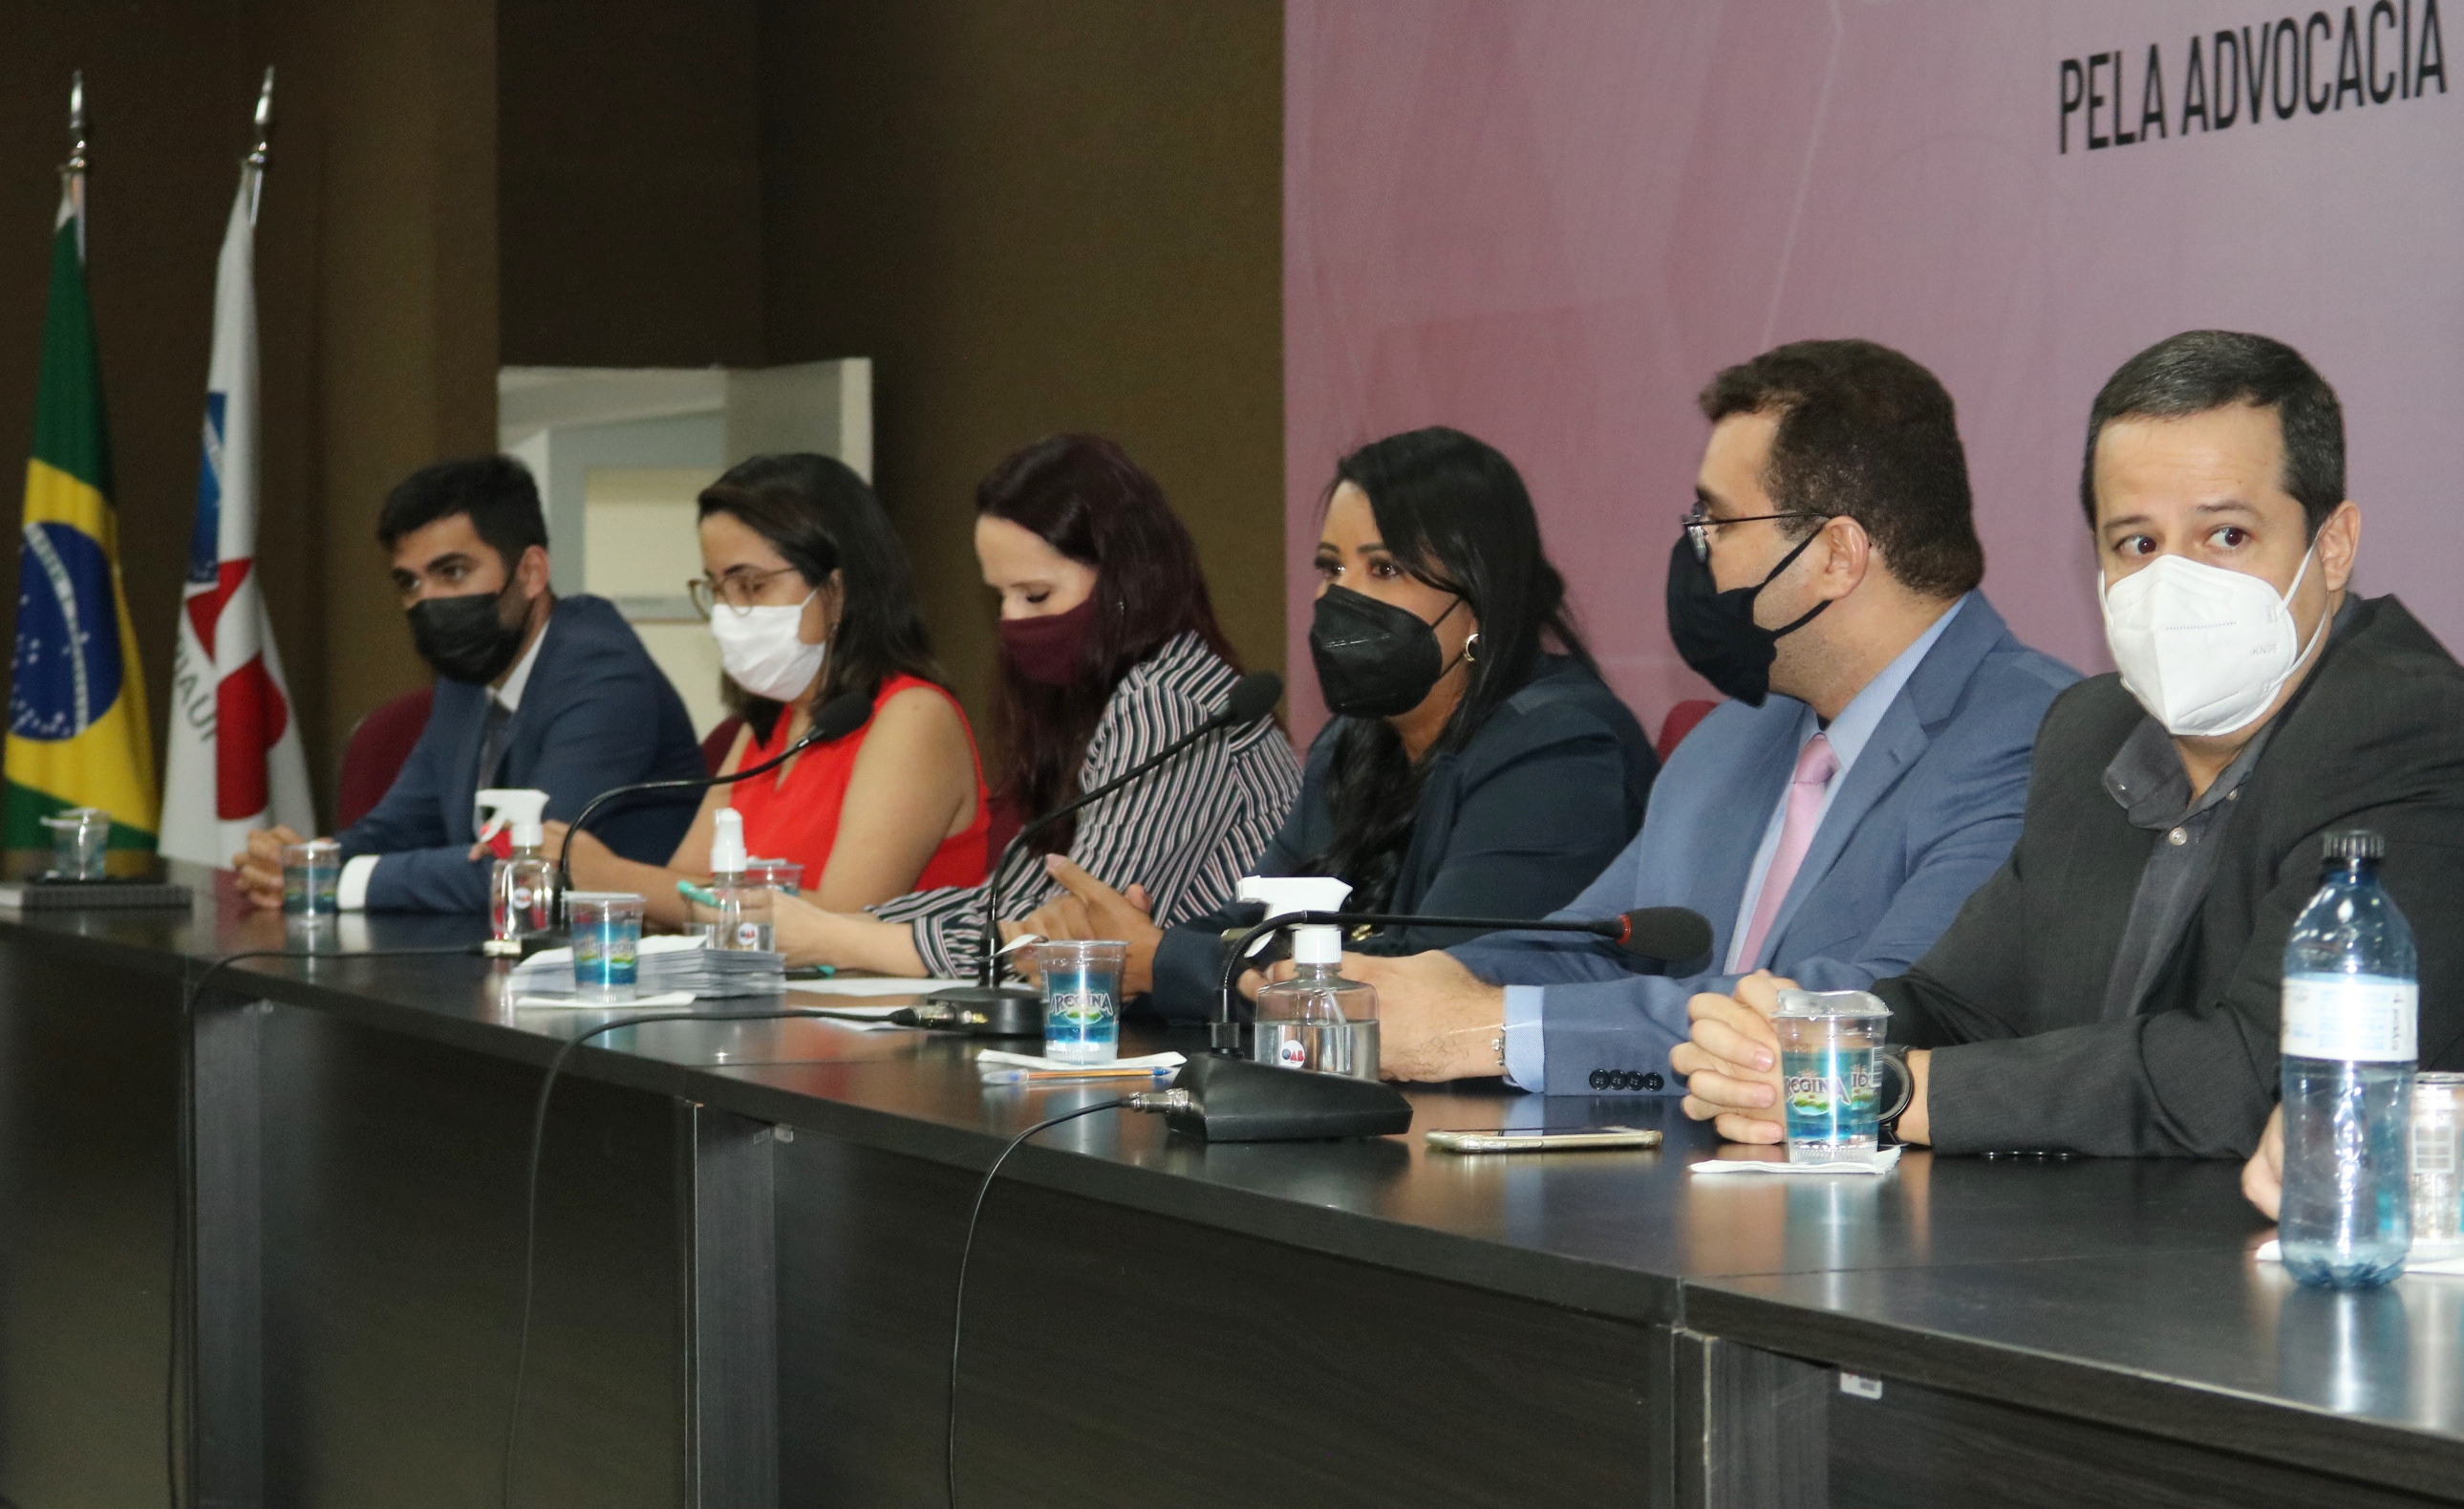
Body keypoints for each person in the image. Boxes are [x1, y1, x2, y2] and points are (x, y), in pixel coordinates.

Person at [1677, 331, 2464, 1157]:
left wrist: (1891, 1089)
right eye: (2137, 543)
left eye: (2226, 536)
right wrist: (1794, 1046)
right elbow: (1961, 1006)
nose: (2174, 581)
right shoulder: (2091, 730)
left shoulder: (2410, 728)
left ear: (2331, 547)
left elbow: (2268, 1074)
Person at [1328, 341, 2076, 1086]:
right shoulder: (1728, 739)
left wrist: (1492, 1030)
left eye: (1716, 522)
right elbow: (1590, 947)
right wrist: (1418, 984)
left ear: (1835, 556)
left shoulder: (2038, 739)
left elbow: (1878, 1010)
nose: (1696, 553)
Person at [1017, 426, 1660, 1021]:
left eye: (1383, 569)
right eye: (1330, 568)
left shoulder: (1561, 752)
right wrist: (1114, 947)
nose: (1338, 598)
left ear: (1480, 601)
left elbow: (1427, 983)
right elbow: (1255, 926)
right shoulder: (1352, 744)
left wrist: (1163, 963)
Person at [757, 435, 1301, 975]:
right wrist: (842, 925)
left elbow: (1075, 936)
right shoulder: (1100, 704)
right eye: (1000, 596)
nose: (1012, 620)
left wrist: (837, 940)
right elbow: (1011, 901)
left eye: (1035, 595)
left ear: (1124, 581)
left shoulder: (1167, 705)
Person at [232, 456, 704, 913]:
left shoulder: (602, 672)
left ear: (531, 572)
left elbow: (527, 869)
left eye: (452, 572)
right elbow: (398, 829)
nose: (428, 601)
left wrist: (332, 881)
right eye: (409, 583)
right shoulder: (468, 672)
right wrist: (301, 863)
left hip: (617, 952)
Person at [549, 454, 988, 923]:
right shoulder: (769, 723)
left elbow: (841, 921)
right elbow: (681, 895)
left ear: (837, 592)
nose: (726, 611)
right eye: (717, 588)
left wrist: (615, 876)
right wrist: (628, 885)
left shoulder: (914, 717)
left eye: (751, 586)